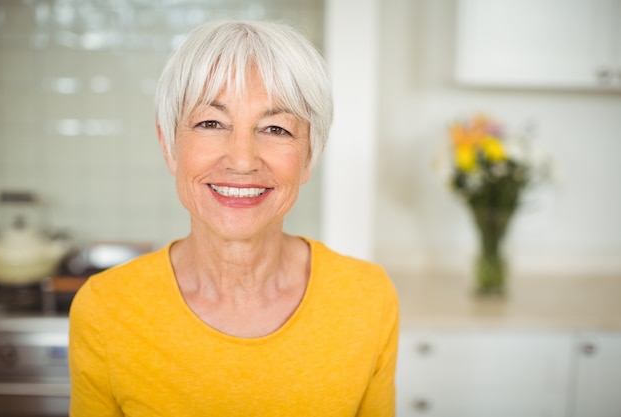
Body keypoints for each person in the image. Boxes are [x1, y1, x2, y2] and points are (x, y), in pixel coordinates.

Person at [68, 20, 399, 416]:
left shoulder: (368, 298)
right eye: (211, 123)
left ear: (309, 156)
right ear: (168, 145)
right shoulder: (105, 309)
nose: (242, 160)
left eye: (276, 128)